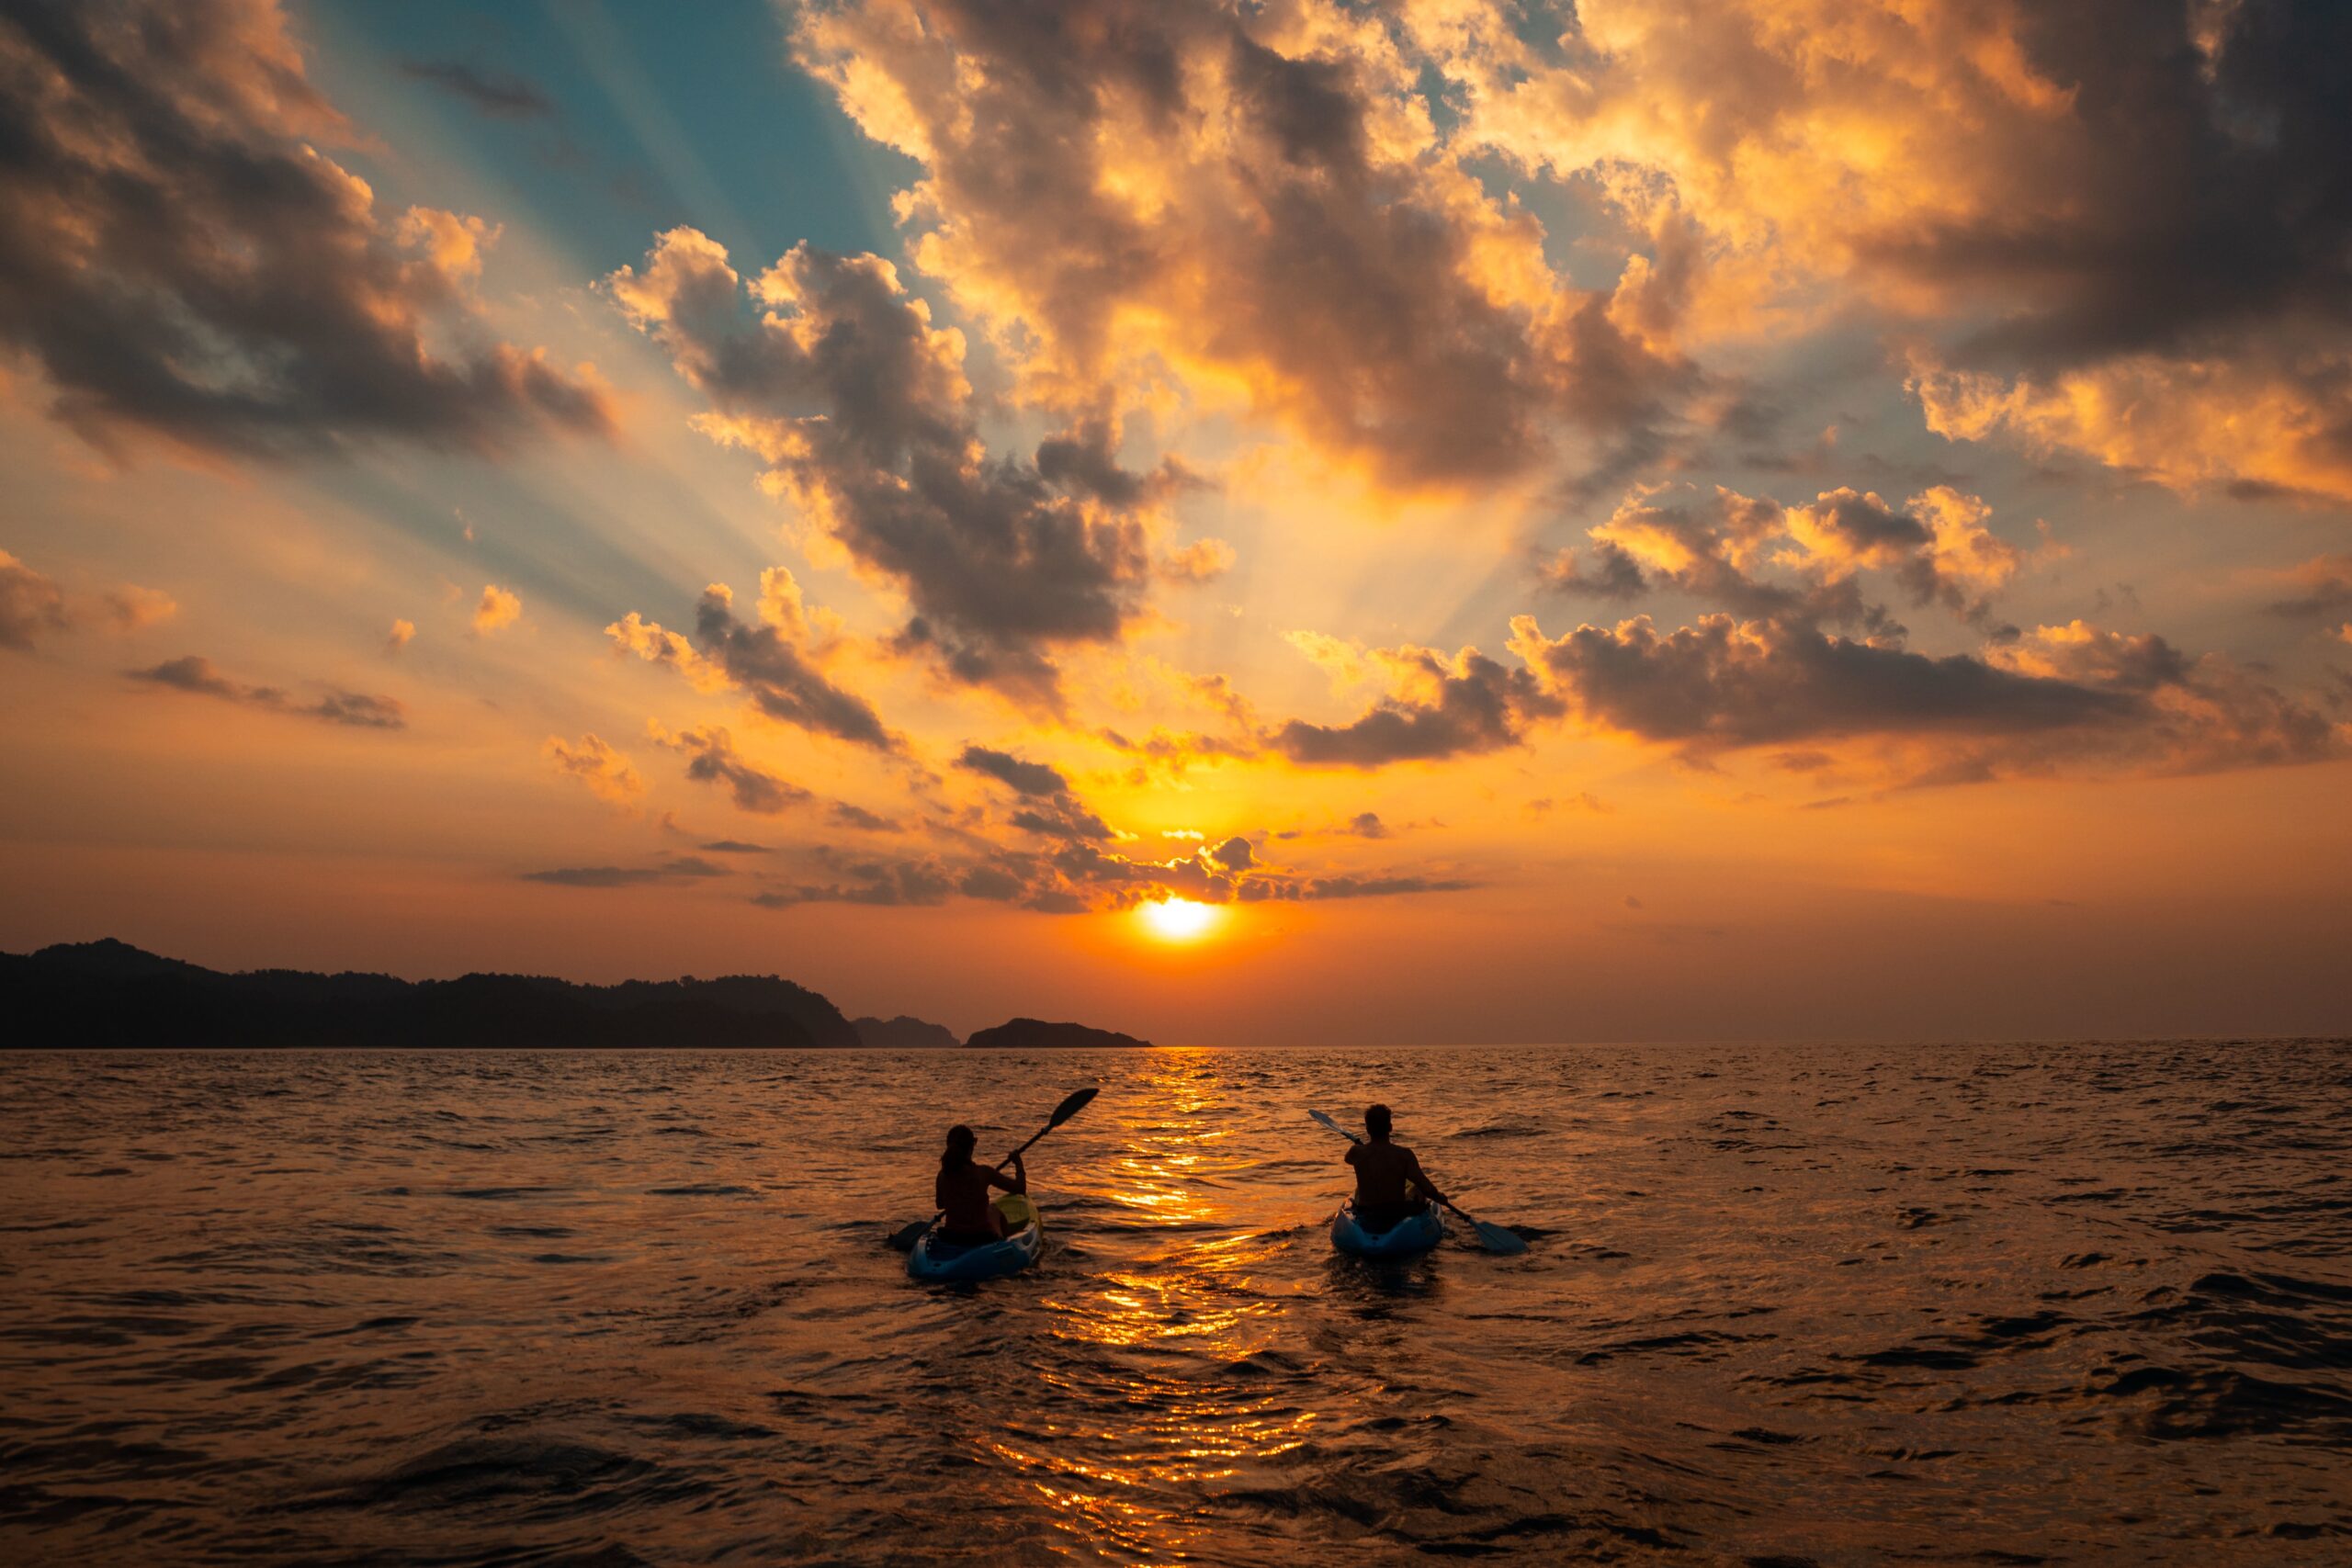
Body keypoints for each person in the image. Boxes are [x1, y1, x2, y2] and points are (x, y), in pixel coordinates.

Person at [1345, 1103, 1446, 1231]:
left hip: (1366, 1213)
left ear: (1368, 1129)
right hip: (1395, 1214)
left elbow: (1348, 1160)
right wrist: (1439, 1198)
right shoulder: (1404, 1155)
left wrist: (1361, 1148)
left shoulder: (1356, 1152)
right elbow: (1426, 1187)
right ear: (1390, 1127)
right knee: (1418, 1189)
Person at [936, 1123, 1025, 1245]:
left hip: (951, 1238)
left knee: (990, 1210)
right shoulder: (983, 1173)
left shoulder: (942, 1175)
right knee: (993, 1210)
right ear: (971, 1148)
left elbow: (940, 1205)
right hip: (980, 1238)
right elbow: (1020, 1188)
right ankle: (1004, 1244)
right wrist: (1018, 1163)